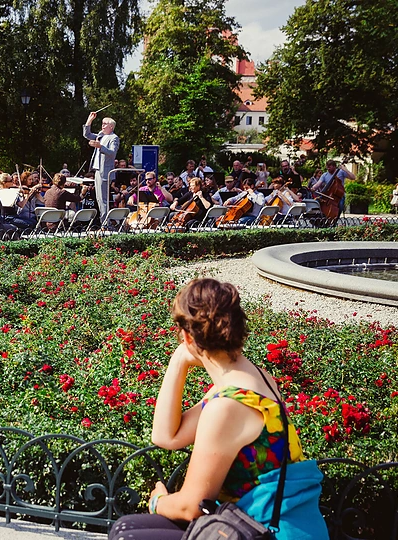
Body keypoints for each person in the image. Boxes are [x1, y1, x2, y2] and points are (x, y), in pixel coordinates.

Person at [108, 278, 326, 540]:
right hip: (264, 521)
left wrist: (158, 502)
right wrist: (179, 362)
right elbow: (166, 437)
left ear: (188, 337)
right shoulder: (253, 379)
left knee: (127, 535)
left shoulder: (227, 407)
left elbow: (191, 507)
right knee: (127, 528)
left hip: (267, 532)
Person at [83, 112, 120, 222]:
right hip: (97, 170)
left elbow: (112, 153)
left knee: (103, 199)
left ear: (111, 126)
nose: (102, 126)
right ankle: (104, 222)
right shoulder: (101, 135)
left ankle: (105, 223)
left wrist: (100, 146)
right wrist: (89, 120)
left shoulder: (114, 138)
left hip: (105, 172)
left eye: (105, 124)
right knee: (99, 198)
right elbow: (87, 135)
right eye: (102, 123)